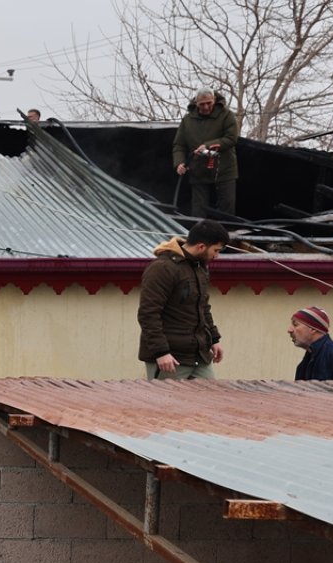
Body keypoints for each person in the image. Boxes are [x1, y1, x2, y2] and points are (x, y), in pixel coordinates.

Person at [137, 219, 230, 380]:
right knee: (167, 405)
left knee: (211, 402)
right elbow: (148, 313)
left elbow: (203, 307)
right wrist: (161, 352)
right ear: (201, 246)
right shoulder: (162, 268)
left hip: (199, 355)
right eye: (215, 250)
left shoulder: (199, 267)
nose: (217, 255)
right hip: (170, 359)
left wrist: (214, 339)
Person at [172, 88, 239, 219]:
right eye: (202, 104)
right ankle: (200, 236)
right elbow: (179, 145)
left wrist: (207, 146)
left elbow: (231, 138)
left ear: (214, 100)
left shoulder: (226, 115)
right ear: (196, 103)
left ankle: (225, 236)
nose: (206, 106)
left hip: (224, 169)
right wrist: (179, 163)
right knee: (198, 211)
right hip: (198, 170)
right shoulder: (187, 120)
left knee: (226, 208)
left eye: (209, 103)